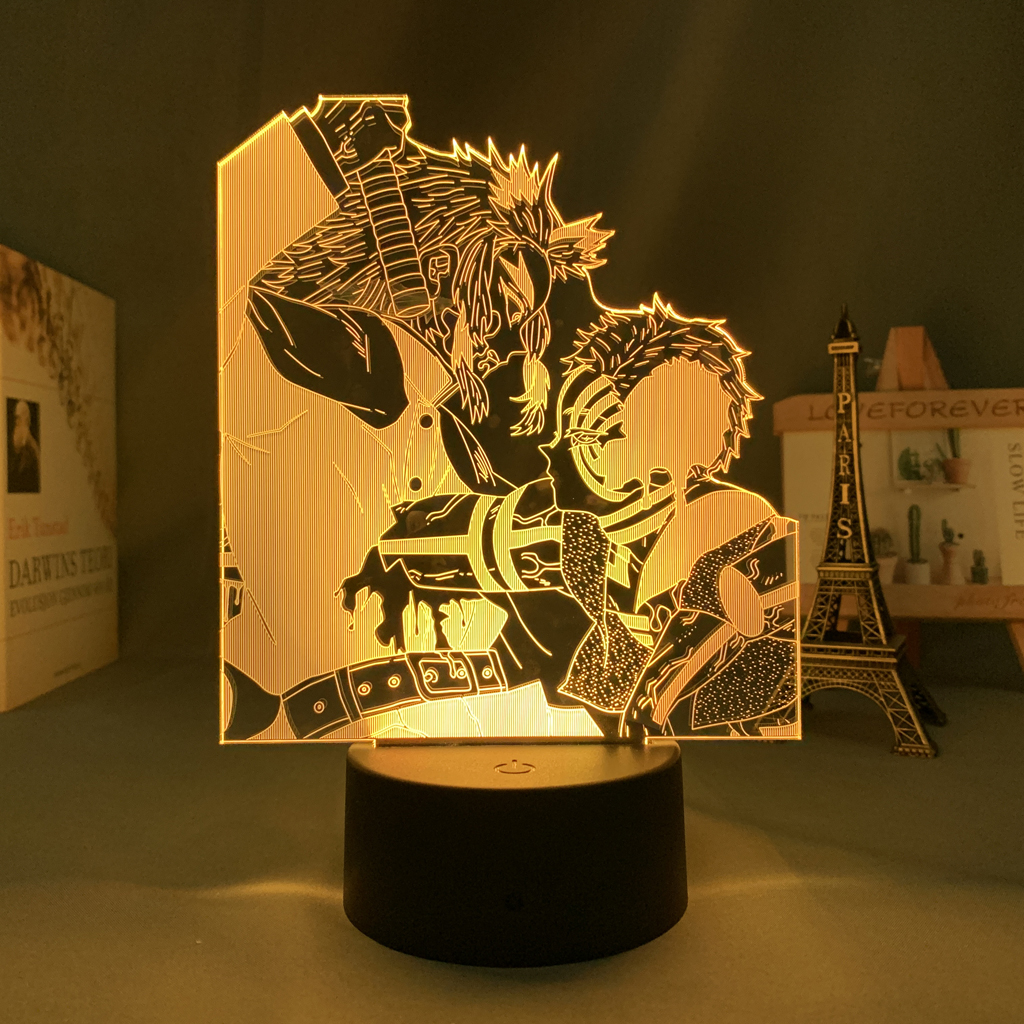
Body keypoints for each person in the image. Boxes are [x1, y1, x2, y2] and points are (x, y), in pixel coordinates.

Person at [8, 399, 40, 493]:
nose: (16, 422)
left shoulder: (30, 443)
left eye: (18, 418)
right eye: (15, 418)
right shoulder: (18, 437)